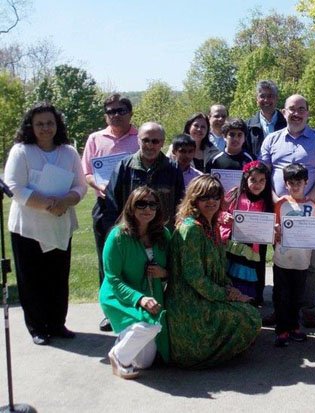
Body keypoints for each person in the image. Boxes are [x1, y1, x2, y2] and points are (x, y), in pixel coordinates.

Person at [4, 102, 87, 345]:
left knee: (58, 277)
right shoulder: (21, 151)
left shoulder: (68, 152)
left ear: (57, 124)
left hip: (60, 224)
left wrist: (66, 202)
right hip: (28, 227)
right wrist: (49, 204)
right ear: (31, 126)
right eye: (39, 123)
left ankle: (57, 323)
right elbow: (14, 187)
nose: (45, 128)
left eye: (50, 122)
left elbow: (80, 186)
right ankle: (38, 328)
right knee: (31, 280)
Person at [166, 175, 261, 368]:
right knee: (250, 317)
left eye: (215, 197)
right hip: (191, 301)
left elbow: (218, 266)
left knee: (251, 311)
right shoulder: (191, 229)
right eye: (205, 197)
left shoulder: (212, 225)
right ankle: (202, 354)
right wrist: (227, 295)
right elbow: (195, 277)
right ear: (194, 200)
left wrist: (231, 290)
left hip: (209, 294)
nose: (211, 201)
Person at [260, 94, 315, 328]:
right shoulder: (271, 140)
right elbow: (264, 174)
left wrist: (306, 201)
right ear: (284, 112)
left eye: (302, 108)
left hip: (309, 208)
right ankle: (281, 309)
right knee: (281, 258)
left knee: (309, 260)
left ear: (308, 113)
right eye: (292, 109)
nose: (297, 113)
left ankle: (308, 308)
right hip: (280, 208)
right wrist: (277, 200)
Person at [81, 93, 139, 332]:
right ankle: (110, 310)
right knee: (107, 259)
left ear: (130, 113)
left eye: (120, 111)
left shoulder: (140, 138)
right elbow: (87, 173)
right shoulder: (95, 139)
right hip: (106, 206)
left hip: (135, 208)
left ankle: (136, 305)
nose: (115, 115)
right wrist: (98, 184)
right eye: (110, 111)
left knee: (135, 258)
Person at [99, 187, 170, 379]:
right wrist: (139, 299)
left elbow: (174, 267)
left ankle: (125, 338)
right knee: (151, 326)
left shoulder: (163, 234)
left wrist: (164, 272)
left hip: (152, 295)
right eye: (141, 204)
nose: (147, 209)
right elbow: (112, 277)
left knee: (144, 363)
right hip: (119, 296)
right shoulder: (117, 237)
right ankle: (118, 356)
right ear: (131, 207)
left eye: (152, 204)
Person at [206, 118, 262, 304]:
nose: (235, 138)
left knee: (247, 262)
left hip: (245, 220)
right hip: (220, 217)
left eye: (239, 135)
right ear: (224, 136)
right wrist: (220, 214)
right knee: (224, 261)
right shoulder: (215, 160)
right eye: (231, 135)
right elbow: (208, 190)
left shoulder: (249, 160)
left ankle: (253, 297)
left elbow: (256, 189)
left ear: (245, 137)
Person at [272, 163, 315, 347]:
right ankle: (281, 329)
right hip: (282, 258)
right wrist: (275, 232)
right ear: (285, 184)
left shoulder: (312, 204)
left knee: (297, 295)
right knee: (281, 295)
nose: (295, 186)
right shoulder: (281, 203)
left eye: (299, 182)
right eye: (291, 182)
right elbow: (274, 228)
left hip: (302, 260)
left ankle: (294, 326)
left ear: (306, 182)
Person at [103, 122, 185, 231]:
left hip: (162, 236)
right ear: (138, 140)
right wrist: (116, 232)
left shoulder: (173, 168)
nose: (150, 145)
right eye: (145, 140)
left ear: (162, 143)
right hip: (131, 235)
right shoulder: (124, 166)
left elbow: (180, 204)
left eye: (155, 141)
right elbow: (111, 204)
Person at [220, 161, 274, 303]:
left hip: (255, 248)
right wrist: (224, 217)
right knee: (230, 276)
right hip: (232, 245)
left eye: (262, 180)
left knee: (252, 277)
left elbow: (272, 223)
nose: (257, 184)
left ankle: (252, 301)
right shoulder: (235, 194)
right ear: (245, 178)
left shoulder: (267, 201)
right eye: (253, 180)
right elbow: (220, 212)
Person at [246, 80, 287, 157]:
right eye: (262, 96)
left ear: (276, 98)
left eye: (270, 96)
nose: (266, 100)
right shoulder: (248, 126)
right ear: (256, 99)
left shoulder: (287, 123)